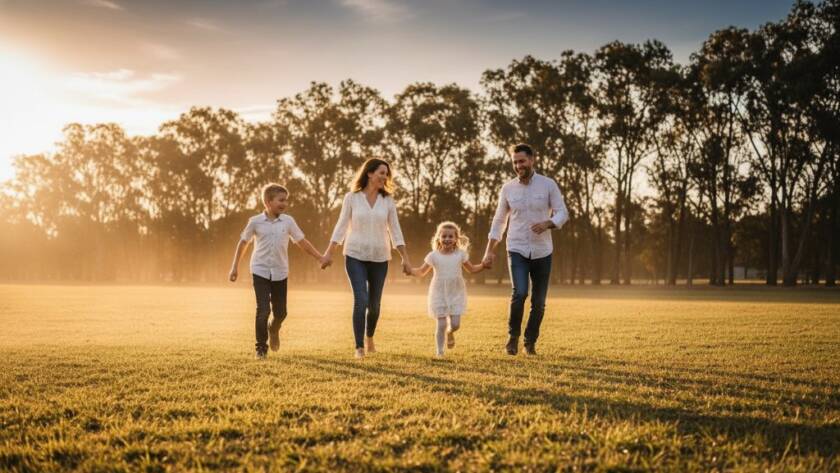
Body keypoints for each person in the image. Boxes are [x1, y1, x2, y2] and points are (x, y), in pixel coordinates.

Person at [482, 144, 568, 356]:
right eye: (515, 162)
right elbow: (499, 220)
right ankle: (513, 337)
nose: (518, 165)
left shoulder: (548, 185)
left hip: (543, 251)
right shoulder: (508, 188)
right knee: (520, 292)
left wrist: (548, 223)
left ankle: (530, 343)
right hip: (517, 247)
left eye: (522, 161)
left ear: (532, 160)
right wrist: (489, 250)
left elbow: (562, 212)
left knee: (539, 303)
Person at [322, 158, 412, 359]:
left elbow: (395, 230)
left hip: (380, 257)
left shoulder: (387, 201)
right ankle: (359, 347)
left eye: (386, 174)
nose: (384, 177)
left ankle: (370, 336)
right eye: (381, 172)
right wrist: (329, 251)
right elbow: (341, 226)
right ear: (369, 173)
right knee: (361, 299)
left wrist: (404, 258)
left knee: (375, 305)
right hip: (355, 254)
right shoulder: (351, 198)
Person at [229, 183, 328, 359]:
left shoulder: (288, 221)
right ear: (268, 201)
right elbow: (243, 243)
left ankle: (273, 329)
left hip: (280, 272)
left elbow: (302, 242)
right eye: (281, 200)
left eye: (286, 200)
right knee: (263, 310)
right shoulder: (255, 222)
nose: (285, 204)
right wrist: (235, 266)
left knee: (281, 313)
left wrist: (319, 257)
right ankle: (261, 348)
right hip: (260, 270)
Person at [410, 221, 486, 357]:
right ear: (438, 238)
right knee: (441, 323)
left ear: (456, 239)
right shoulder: (433, 256)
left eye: (450, 236)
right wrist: (410, 270)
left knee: (456, 324)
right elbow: (421, 272)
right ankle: (440, 352)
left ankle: (450, 333)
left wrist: (484, 265)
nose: (447, 239)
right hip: (438, 292)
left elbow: (472, 269)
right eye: (444, 236)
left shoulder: (460, 255)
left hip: (456, 292)